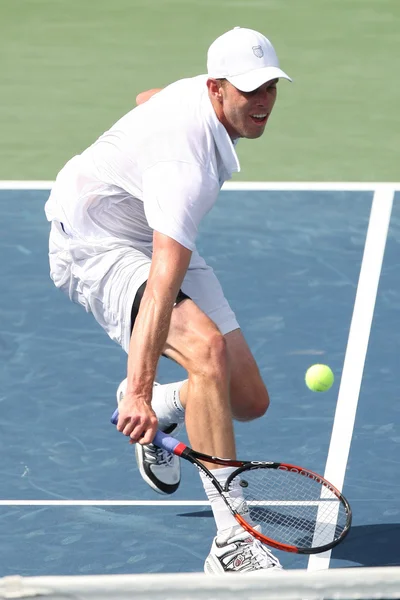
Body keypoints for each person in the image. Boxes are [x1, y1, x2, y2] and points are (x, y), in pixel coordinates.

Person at [45, 26, 291, 573]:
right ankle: (231, 542)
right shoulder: (184, 174)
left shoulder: (196, 97)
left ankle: (168, 405)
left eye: (271, 87)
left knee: (249, 400)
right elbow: (160, 285)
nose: (263, 102)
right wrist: (134, 391)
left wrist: (141, 141)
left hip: (142, 223)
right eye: (250, 90)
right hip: (94, 244)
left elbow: (146, 100)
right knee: (206, 353)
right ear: (217, 87)